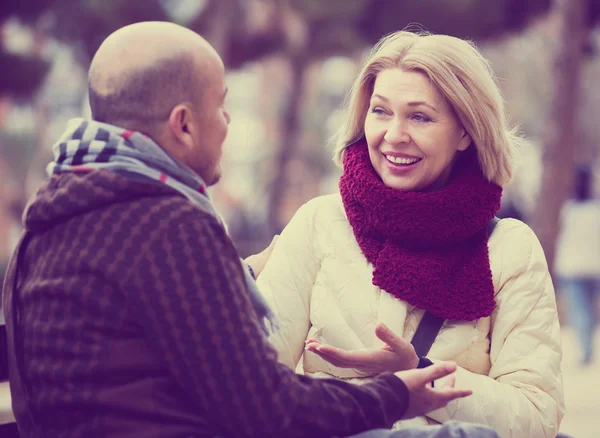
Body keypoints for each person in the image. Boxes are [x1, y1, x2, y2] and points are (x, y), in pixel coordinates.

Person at [0, 21, 501, 438]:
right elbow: (266, 410)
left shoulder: (43, 231)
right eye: (220, 104)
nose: (228, 119)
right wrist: (394, 395)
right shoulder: (170, 227)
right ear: (184, 124)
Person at [257, 31, 565, 437]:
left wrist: (418, 376)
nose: (394, 135)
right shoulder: (319, 222)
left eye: (419, 117)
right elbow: (255, 384)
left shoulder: (510, 248)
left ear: (465, 132)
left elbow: (537, 417)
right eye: (381, 111)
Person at [555, 165, 600, 366]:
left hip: (572, 267)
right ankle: (587, 347)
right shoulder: (595, 210)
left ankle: (586, 350)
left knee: (580, 310)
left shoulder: (569, 209)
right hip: (593, 266)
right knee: (587, 309)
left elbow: (564, 239)